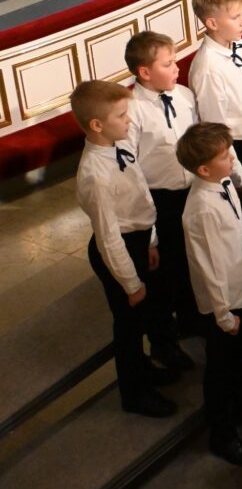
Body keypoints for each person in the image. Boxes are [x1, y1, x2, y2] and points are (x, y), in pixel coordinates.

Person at [72, 80, 180, 418]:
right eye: (121, 115)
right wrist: (130, 283)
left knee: (143, 316)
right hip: (118, 251)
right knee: (129, 326)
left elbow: (140, 194)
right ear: (97, 125)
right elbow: (108, 237)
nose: (129, 120)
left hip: (137, 239)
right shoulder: (96, 175)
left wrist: (151, 240)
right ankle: (134, 393)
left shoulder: (119, 145)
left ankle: (144, 369)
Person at [177, 122, 242, 464]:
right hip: (221, 303)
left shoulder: (223, 183)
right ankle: (223, 434)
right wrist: (223, 315)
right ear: (203, 169)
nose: (232, 159)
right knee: (221, 369)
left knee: (239, 358)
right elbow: (209, 267)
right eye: (225, 156)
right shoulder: (202, 207)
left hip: (240, 288)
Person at [124, 31, 207, 340]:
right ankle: (164, 340)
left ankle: (192, 318)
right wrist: (150, 235)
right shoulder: (131, 110)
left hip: (193, 192)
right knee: (165, 272)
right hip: (159, 200)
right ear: (145, 72)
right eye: (168, 64)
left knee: (193, 261)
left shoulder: (183, 96)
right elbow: (131, 172)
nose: (177, 68)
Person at [188, 0, 242, 231]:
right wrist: (237, 173)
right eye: (235, 17)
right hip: (234, 149)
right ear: (212, 23)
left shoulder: (240, 46)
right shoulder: (208, 68)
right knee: (241, 215)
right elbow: (216, 129)